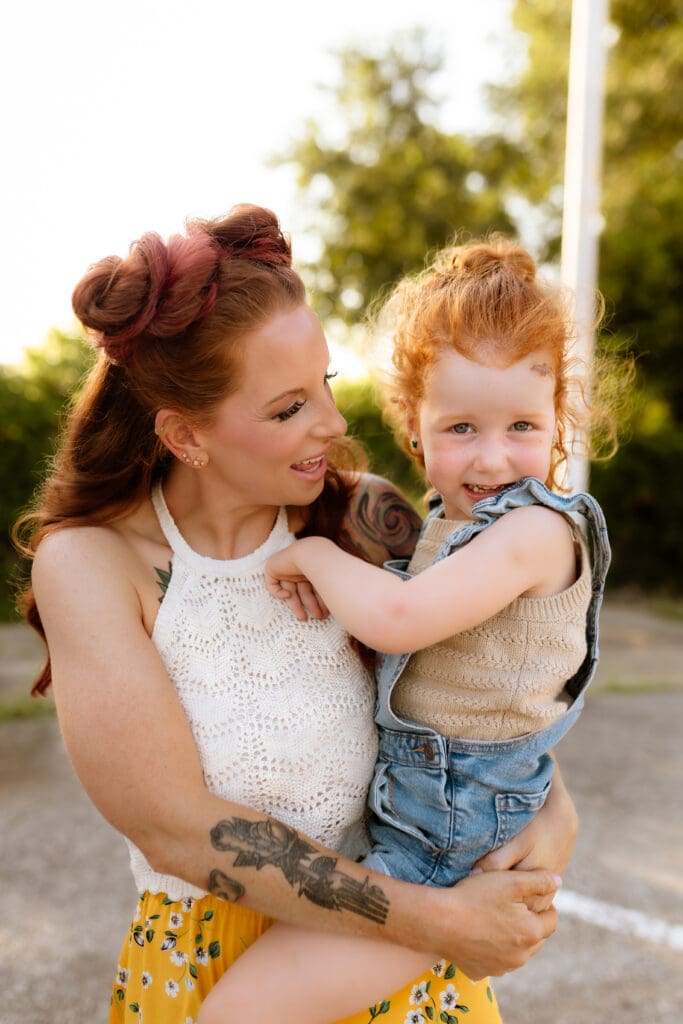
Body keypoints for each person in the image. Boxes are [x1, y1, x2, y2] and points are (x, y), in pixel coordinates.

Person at [15, 207, 576, 1024]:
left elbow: (479, 695)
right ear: (184, 434)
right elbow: (182, 831)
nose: (335, 425)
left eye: (327, 385)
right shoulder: (94, 566)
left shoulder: (366, 520)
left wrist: (555, 813)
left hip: (400, 979)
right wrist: (439, 922)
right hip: (221, 974)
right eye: (287, 408)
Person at [199, 234, 616, 1024]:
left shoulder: (535, 532)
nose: (491, 459)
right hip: (423, 803)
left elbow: (399, 621)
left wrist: (319, 556)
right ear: (414, 427)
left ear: (558, 421)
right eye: (461, 428)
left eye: (522, 427)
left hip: (447, 831)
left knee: (242, 1012)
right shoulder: (438, 523)